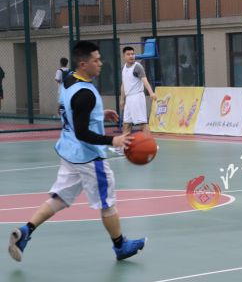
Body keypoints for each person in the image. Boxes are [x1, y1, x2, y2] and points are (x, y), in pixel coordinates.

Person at [8, 41, 146, 262]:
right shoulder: (86, 95)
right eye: (96, 60)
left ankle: (25, 231)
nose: (100, 63)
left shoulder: (69, 79)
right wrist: (114, 139)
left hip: (69, 152)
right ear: (83, 64)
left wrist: (99, 114)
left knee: (59, 198)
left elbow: (73, 111)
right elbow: (83, 132)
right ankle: (120, 246)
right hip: (89, 157)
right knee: (107, 202)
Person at [119, 46, 157, 136]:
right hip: (128, 99)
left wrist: (151, 93)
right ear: (124, 56)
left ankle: (149, 143)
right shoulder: (123, 68)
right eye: (128, 54)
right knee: (126, 124)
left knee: (142, 124)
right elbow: (123, 84)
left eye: (132, 54)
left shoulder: (137, 67)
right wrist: (122, 99)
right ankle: (124, 144)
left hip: (137, 97)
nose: (131, 56)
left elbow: (145, 81)